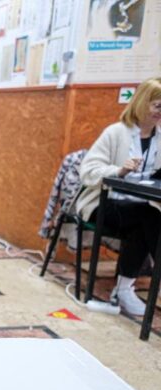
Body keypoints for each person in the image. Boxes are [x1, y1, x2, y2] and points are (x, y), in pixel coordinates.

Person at [76, 77, 161, 315]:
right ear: (142, 102)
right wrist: (118, 170)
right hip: (103, 204)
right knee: (151, 217)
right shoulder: (116, 133)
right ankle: (127, 289)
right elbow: (88, 171)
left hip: (141, 207)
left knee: (147, 221)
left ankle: (123, 290)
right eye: (157, 105)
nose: (160, 112)